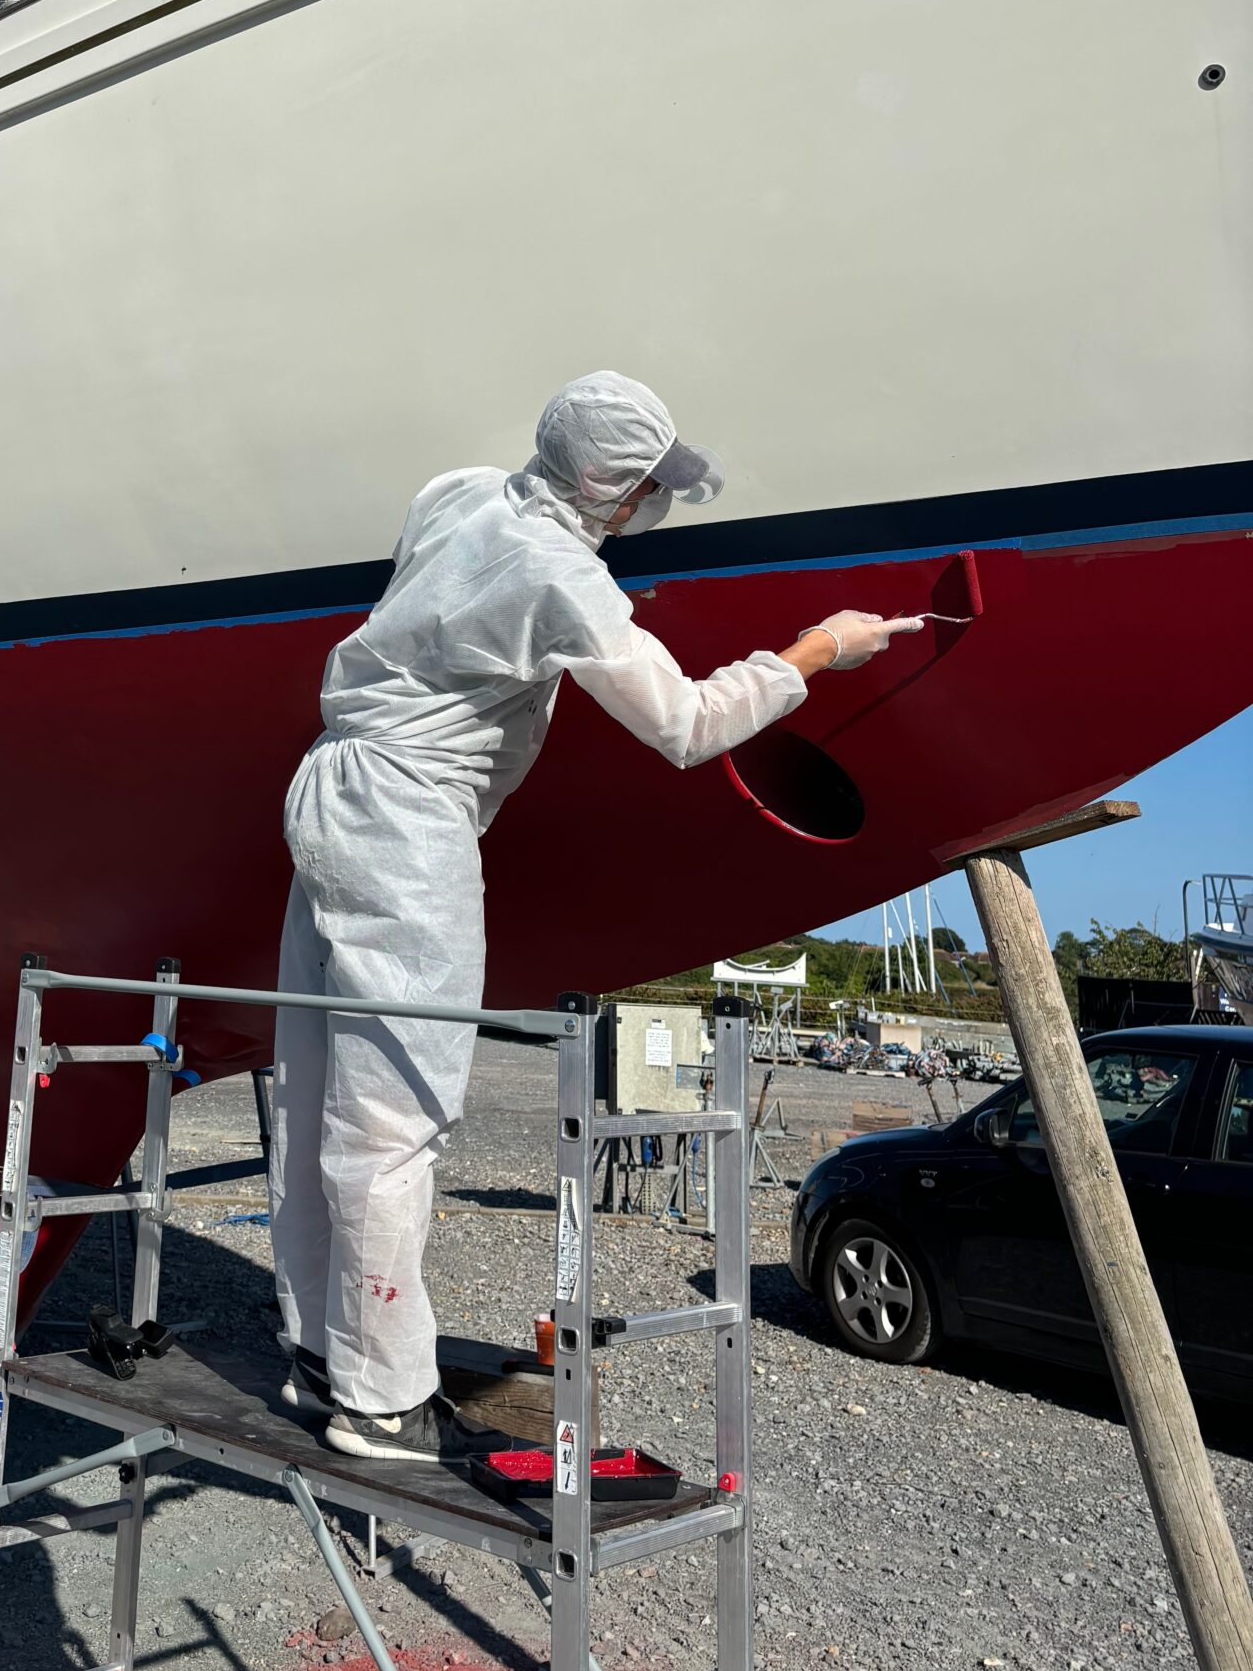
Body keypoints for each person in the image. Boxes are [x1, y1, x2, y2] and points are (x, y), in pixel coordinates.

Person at [266, 370, 925, 1463]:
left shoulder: (460, 492)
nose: (654, 503)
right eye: (648, 487)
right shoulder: (560, 574)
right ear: (614, 491)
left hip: (333, 783)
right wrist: (816, 649)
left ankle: (316, 1351)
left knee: (314, 1080)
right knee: (395, 1114)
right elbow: (688, 724)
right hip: (411, 817)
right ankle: (379, 1400)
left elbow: (449, 602)